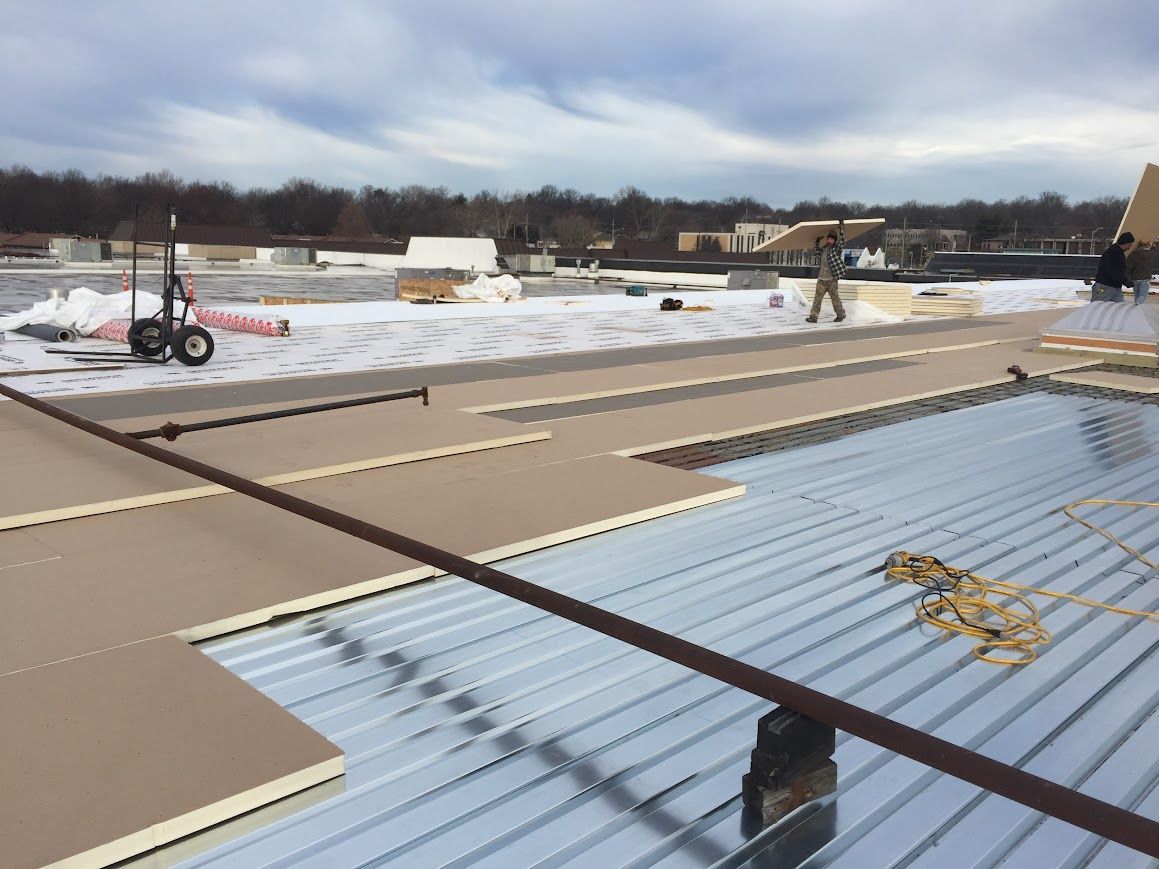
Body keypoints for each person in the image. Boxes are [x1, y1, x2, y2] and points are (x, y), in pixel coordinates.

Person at [807, 219, 846, 323]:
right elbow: (816, 252)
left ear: (834, 241)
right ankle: (813, 317)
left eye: (831, 239)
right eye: (828, 239)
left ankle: (841, 315)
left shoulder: (836, 249)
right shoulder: (823, 249)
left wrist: (841, 228)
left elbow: (842, 241)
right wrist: (817, 241)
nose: (829, 241)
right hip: (821, 279)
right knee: (817, 299)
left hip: (832, 280)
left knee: (835, 299)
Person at [1090, 232, 1135, 303]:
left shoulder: (1116, 252)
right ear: (1127, 243)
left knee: (1119, 307)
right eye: (1131, 244)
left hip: (1114, 286)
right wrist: (1125, 281)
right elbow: (1114, 271)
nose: (1131, 247)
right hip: (1105, 286)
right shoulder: (1115, 253)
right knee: (1097, 306)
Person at [1125, 237, 1153, 305]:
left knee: (1137, 295)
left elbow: (1128, 267)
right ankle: (1139, 306)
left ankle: (1136, 306)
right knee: (1142, 295)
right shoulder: (1150, 254)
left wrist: (1128, 277)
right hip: (1145, 278)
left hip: (1135, 278)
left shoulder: (1133, 254)